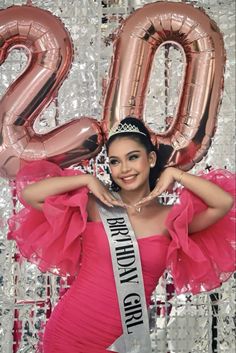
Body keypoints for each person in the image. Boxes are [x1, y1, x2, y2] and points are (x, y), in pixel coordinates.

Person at [8, 117, 235, 353]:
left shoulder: (171, 220)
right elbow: (30, 195)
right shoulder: (96, 207)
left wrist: (176, 175)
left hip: (115, 342)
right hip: (68, 334)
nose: (124, 169)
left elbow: (223, 203)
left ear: (151, 158)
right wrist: (86, 179)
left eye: (133, 157)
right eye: (115, 161)